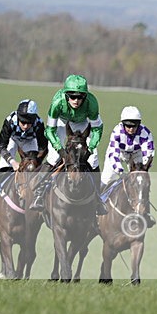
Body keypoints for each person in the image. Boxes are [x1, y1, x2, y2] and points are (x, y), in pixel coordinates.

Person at [29, 74, 106, 214]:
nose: (76, 100)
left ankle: (98, 198)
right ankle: (38, 194)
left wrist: (91, 147)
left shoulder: (92, 103)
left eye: (80, 97)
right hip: (62, 121)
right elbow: (50, 131)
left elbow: (97, 129)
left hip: (83, 122)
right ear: (66, 95)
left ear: (85, 96)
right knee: (53, 158)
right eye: (72, 96)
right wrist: (61, 150)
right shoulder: (57, 102)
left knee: (93, 159)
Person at [0, 99, 47, 212]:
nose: (25, 126)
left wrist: (37, 161)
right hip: (13, 140)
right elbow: (0, 146)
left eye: (29, 123)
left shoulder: (39, 123)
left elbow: (43, 147)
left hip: (30, 141)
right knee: (4, 168)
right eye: (23, 122)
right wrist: (12, 161)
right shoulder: (10, 121)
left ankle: (38, 198)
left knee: (32, 170)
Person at [100, 105, 156, 227]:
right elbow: (113, 154)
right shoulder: (117, 131)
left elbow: (149, 154)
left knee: (140, 182)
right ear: (123, 124)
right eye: (128, 125)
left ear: (139, 124)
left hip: (136, 155)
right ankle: (95, 207)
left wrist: (142, 170)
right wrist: (120, 171)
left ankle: (146, 214)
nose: (131, 128)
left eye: (134, 125)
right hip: (118, 154)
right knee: (106, 179)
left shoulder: (145, 133)